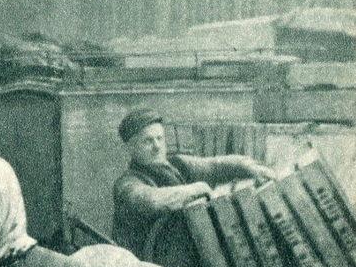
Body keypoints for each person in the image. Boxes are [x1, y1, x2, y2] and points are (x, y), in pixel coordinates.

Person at [111, 108, 275, 258]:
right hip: (151, 266)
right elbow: (152, 200)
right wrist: (196, 189)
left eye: (160, 138)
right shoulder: (127, 183)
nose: (157, 146)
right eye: (148, 141)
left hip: (187, 254)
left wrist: (250, 167)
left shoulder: (177, 164)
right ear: (130, 148)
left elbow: (215, 166)